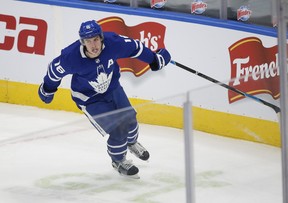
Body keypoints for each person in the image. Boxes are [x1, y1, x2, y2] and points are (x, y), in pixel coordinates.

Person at [38, 20, 171, 178]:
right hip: (89, 99)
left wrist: (154, 59)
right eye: (88, 41)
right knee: (118, 128)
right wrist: (48, 88)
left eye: (95, 39)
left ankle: (131, 142)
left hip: (113, 88)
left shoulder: (113, 43)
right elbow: (54, 70)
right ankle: (118, 160)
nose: (93, 45)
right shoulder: (71, 56)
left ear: (101, 38)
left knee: (131, 119)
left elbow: (135, 47)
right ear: (82, 42)